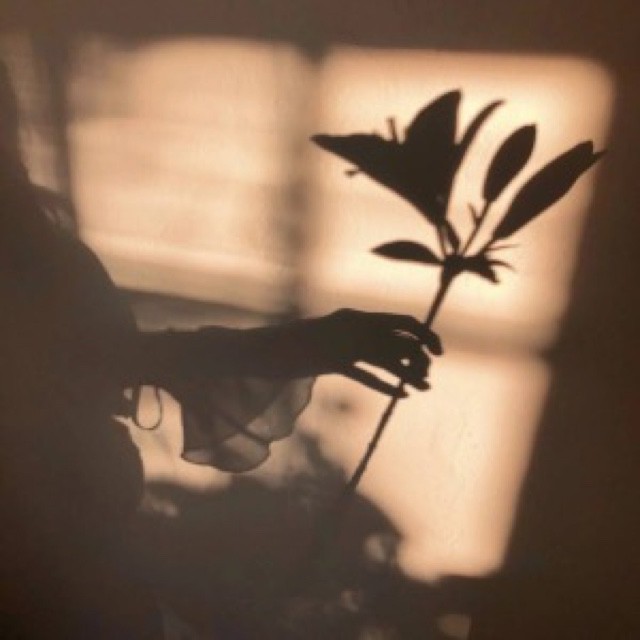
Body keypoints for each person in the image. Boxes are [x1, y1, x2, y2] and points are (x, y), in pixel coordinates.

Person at [0, 62, 440, 638]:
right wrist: (300, 346)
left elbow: (109, 359)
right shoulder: (39, 253)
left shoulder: (39, 248)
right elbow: (107, 359)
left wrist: (302, 346)